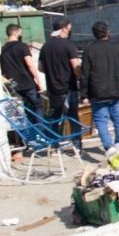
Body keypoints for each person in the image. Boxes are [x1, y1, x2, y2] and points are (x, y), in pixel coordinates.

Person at [79, 21, 119, 152]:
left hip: (97, 93)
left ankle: (109, 147)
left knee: (101, 122)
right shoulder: (117, 48)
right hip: (117, 91)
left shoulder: (89, 50)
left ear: (94, 34)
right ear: (107, 32)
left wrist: (84, 94)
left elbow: (84, 74)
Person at [38, 19, 82, 148]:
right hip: (68, 87)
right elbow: (76, 67)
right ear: (63, 29)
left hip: (53, 88)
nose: (70, 31)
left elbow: (40, 68)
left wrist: (52, 72)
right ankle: (77, 146)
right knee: (73, 117)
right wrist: (80, 79)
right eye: (69, 28)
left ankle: (54, 145)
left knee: (55, 117)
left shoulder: (45, 47)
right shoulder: (69, 45)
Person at [0, 23, 45, 117]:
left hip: (13, 85)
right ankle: (39, 126)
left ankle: (30, 125)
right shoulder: (22, 46)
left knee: (26, 107)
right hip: (27, 83)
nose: (21, 35)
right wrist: (39, 81)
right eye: (20, 32)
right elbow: (30, 64)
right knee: (38, 105)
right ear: (16, 32)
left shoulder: (2, 50)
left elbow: (2, 69)